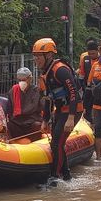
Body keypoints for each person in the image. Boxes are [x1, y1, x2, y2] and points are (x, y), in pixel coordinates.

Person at [33, 38, 82, 181]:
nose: (36, 59)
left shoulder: (60, 70)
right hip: (61, 109)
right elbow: (48, 99)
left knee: (57, 143)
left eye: (38, 56)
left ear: (48, 55)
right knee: (56, 142)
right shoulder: (45, 73)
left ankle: (55, 177)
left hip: (73, 109)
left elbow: (73, 93)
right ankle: (66, 175)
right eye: (34, 56)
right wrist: (45, 120)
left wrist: (71, 118)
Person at [5, 67, 43, 144]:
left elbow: (40, 107)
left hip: (32, 121)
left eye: (24, 80)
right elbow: (9, 109)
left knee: (38, 125)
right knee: (8, 125)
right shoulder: (13, 91)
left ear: (30, 79)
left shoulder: (37, 91)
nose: (22, 82)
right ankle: (13, 144)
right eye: (20, 80)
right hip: (17, 122)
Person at [78, 39, 99, 123]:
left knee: (97, 111)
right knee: (86, 110)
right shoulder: (85, 59)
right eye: (89, 53)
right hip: (87, 89)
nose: (91, 55)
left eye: (93, 53)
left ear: (98, 51)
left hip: (99, 90)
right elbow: (81, 74)